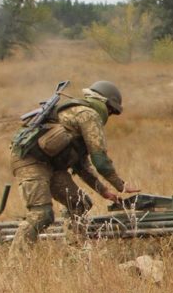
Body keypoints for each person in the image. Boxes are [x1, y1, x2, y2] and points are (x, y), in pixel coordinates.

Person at [9, 80, 139, 252]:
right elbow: (100, 158)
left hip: (51, 165)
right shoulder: (88, 115)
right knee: (41, 214)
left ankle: (75, 251)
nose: (109, 114)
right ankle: (15, 264)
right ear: (104, 104)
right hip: (30, 162)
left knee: (79, 204)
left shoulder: (78, 114)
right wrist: (120, 185)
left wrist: (104, 191)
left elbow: (81, 165)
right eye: (111, 110)